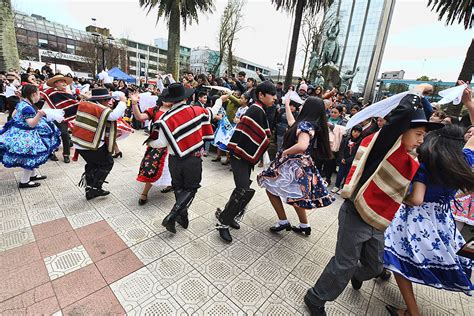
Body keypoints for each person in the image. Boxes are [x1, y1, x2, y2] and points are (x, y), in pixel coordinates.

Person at [303, 84, 443, 316]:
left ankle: (357, 275)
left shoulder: (410, 159)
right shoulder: (383, 149)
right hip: (356, 215)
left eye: (423, 136)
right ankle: (316, 297)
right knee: (345, 263)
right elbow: (400, 119)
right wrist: (416, 93)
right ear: (400, 131)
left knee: (375, 266)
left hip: (378, 221)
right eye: (418, 134)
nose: (421, 141)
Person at [384, 124, 474, 316]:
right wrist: (470, 106)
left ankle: (413, 312)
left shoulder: (426, 164)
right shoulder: (464, 160)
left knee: (397, 256)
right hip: (442, 219)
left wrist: (401, 198)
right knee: (401, 255)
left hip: (416, 219)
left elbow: (416, 199)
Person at [149, 83, 223, 234]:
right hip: (193, 159)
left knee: (178, 187)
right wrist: (220, 100)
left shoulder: (164, 118)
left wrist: (150, 141)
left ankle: (183, 217)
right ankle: (172, 215)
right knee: (191, 188)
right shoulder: (197, 110)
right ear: (186, 97)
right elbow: (212, 112)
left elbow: (160, 143)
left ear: (170, 100)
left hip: (174, 159)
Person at [258, 96, 334, 235]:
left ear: (308, 108)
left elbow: (302, 145)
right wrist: (287, 105)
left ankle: (283, 221)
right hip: (300, 165)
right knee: (297, 196)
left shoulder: (305, 125)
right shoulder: (308, 124)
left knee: (269, 186)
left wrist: (284, 153)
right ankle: (304, 225)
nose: (300, 105)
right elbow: (292, 121)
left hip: (292, 164)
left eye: (304, 104)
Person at [215, 81, 275, 242]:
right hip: (240, 156)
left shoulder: (259, 110)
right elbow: (260, 136)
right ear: (261, 95)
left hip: (244, 156)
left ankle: (227, 215)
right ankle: (223, 223)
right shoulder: (256, 110)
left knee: (242, 188)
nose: (275, 98)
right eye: (272, 94)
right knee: (243, 190)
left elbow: (259, 135)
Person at [0, 84, 60, 188]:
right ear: (33, 94)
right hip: (26, 136)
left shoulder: (22, 103)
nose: (40, 96)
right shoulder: (28, 108)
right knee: (31, 157)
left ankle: (33, 175)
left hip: (20, 132)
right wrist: (39, 114)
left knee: (32, 155)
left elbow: (14, 115)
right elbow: (31, 123)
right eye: (39, 93)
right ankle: (24, 181)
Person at [71, 87, 127, 200]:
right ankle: (95, 188)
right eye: (107, 99)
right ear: (101, 100)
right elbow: (114, 115)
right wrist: (123, 102)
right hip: (90, 144)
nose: (109, 102)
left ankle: (90, 189)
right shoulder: (97, 108)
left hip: (80, 143)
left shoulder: (86, 105)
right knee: (107, 163)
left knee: (93, 164)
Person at [132, 92, 173, 205]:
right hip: (157, 145)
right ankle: (145, 193)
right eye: (165, 97)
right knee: (151, 167)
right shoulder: (155, 110)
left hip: (173, 146)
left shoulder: (176, 110)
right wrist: (134, 103)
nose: (167, 99)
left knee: (172, 169)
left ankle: (171, 185)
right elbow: (139, 117)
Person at [41, 74, 80, 163]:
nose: (64, 83)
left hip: (62, 117)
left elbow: (72, 103)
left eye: (65, 82)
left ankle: (66, 154)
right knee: (52, 134)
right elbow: (40, 97)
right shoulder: (49, 92)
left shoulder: (67, 93)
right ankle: (52, 153)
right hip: (50, 115)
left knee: (64, 134)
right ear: (56, 83)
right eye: (62, 81)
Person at [331, 124, 363, 194]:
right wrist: (342, 158)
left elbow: (357, 154)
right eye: (355, 131)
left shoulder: (360, 142)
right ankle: (336, 186)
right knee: (340, 173)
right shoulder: (346, 139)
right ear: (352, 131)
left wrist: (348, 160)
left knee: (347, 175)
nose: (356, 133)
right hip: (343, 160)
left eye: (358, 132)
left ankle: (343, 187)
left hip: (351, 161)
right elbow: (341, 149)